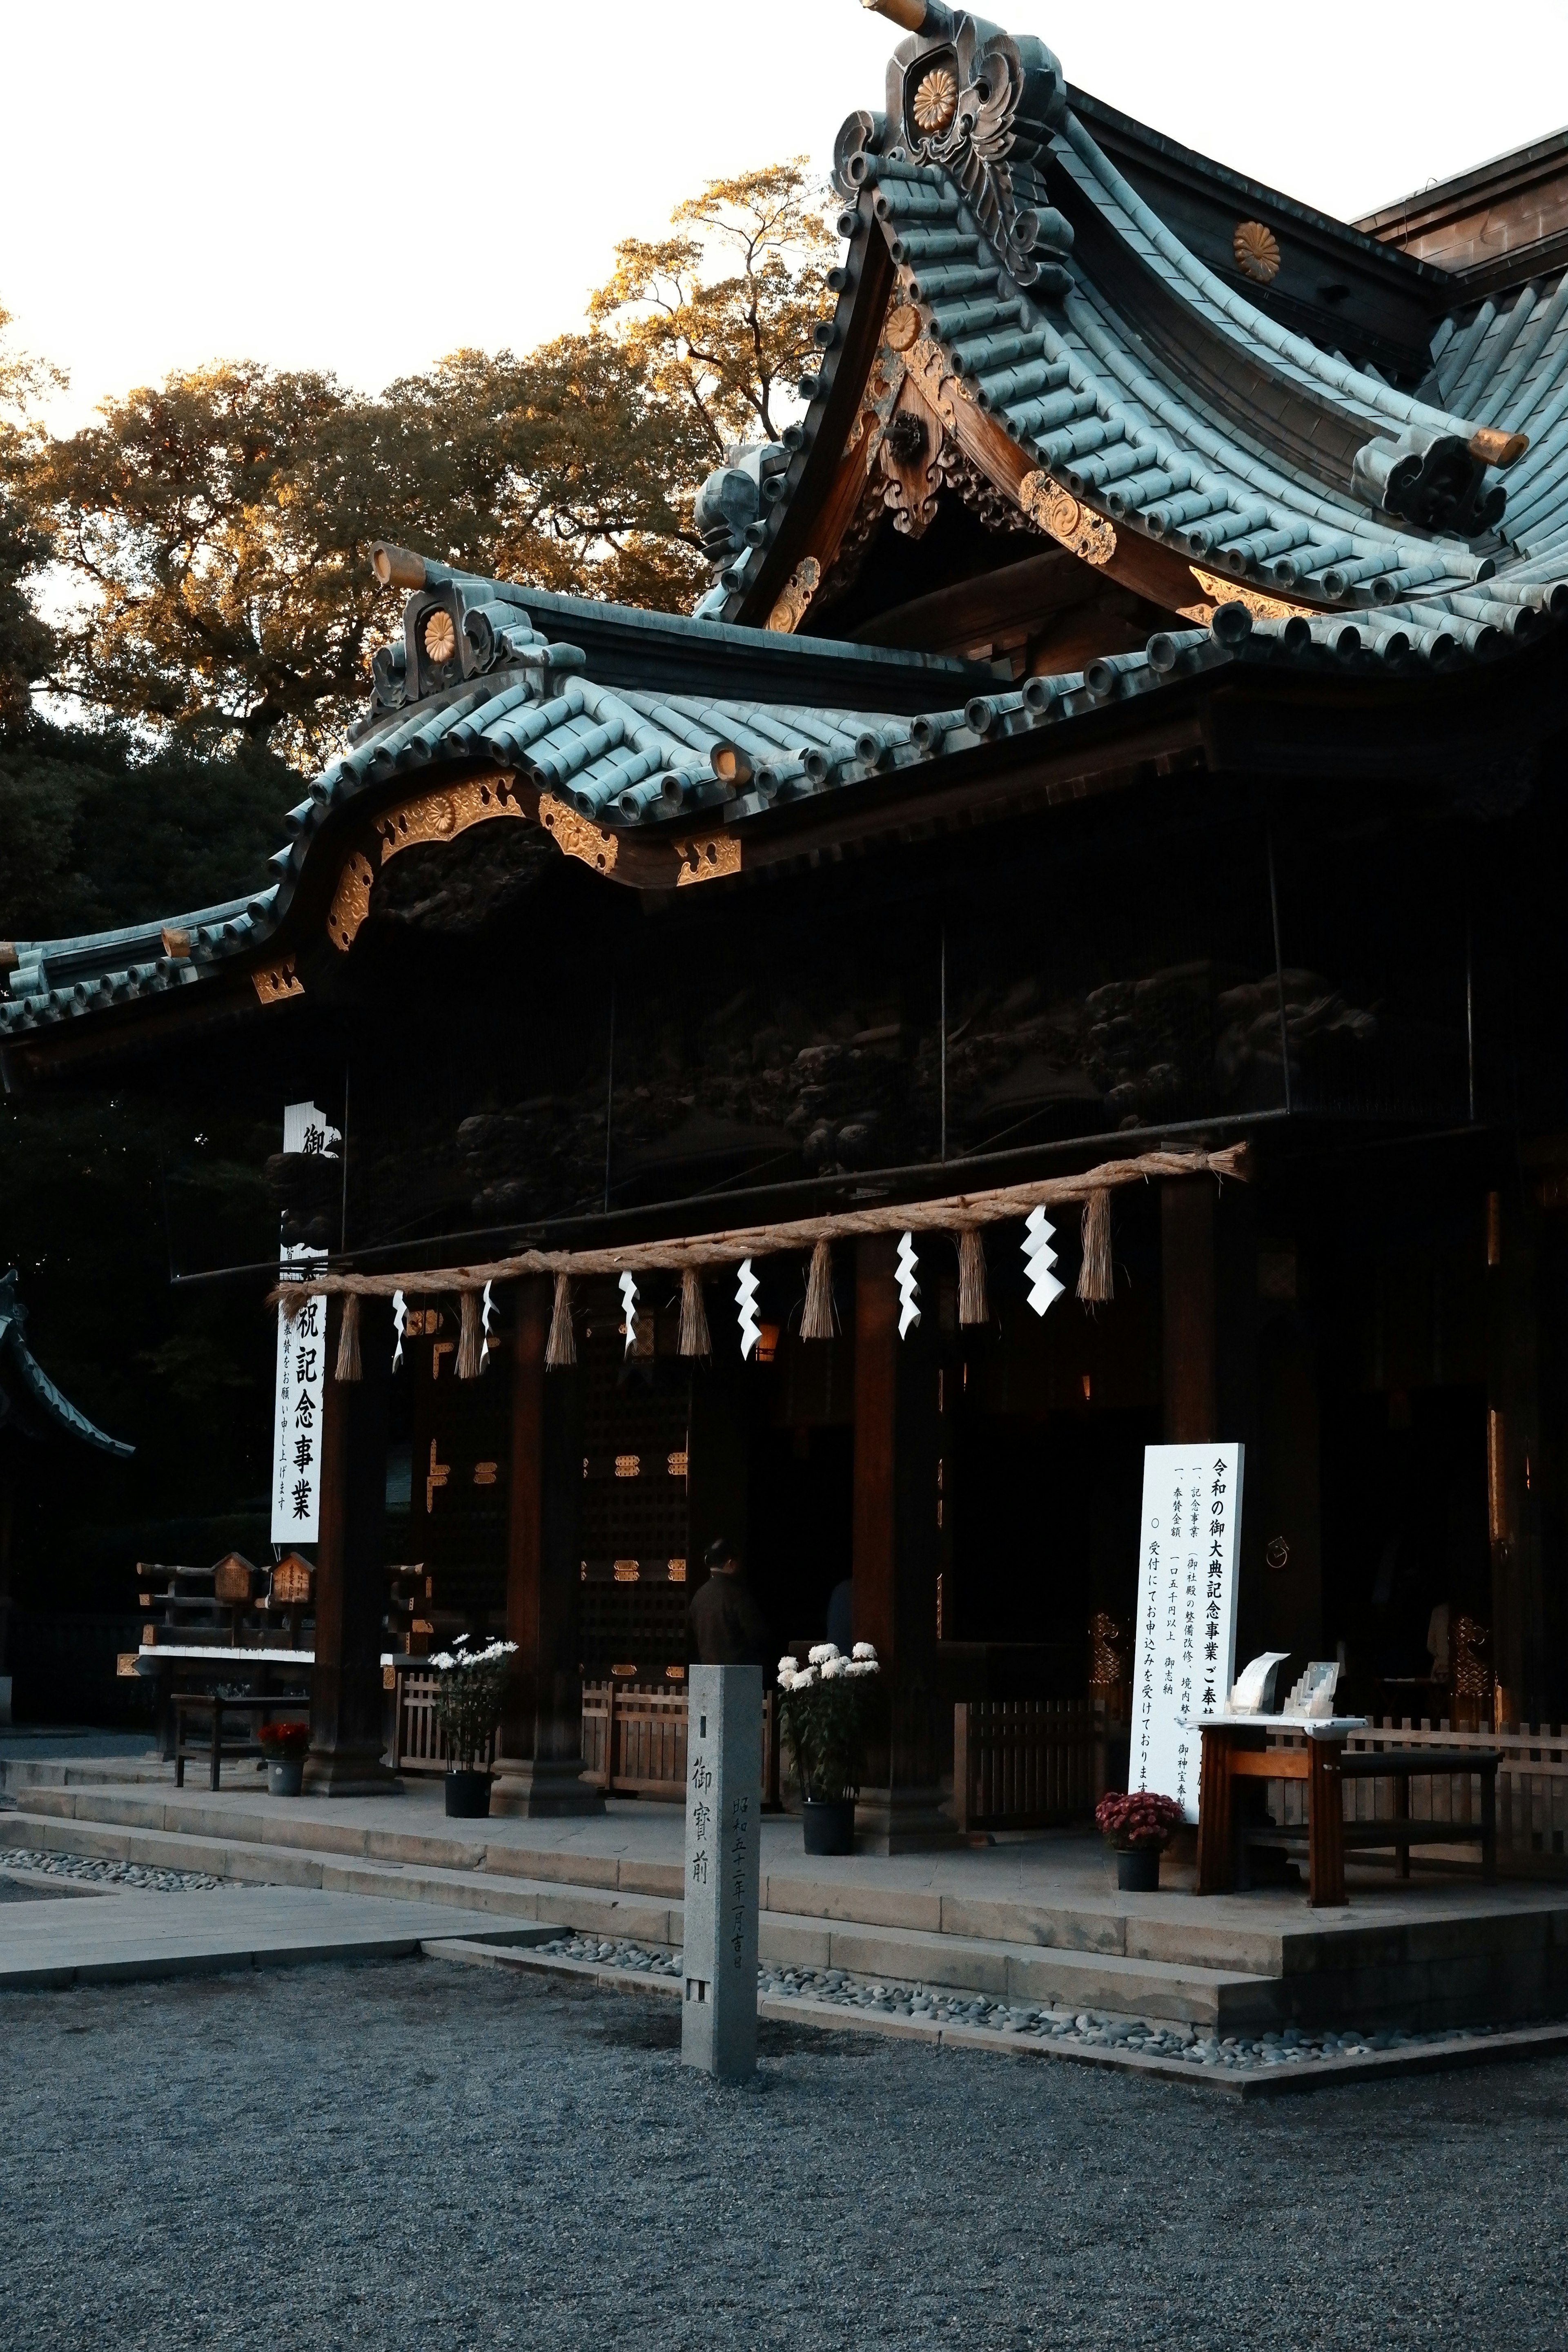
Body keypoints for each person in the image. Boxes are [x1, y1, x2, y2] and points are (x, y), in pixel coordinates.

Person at [687, 1536, 773, 1667]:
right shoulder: (737, 1595)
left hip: (706, 1673)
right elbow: (757, 1636)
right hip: (737, 1674)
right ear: (731, 1563)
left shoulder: (699, 1595)